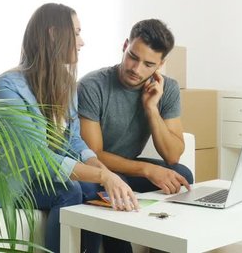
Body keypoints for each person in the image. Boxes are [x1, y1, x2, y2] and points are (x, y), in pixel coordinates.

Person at [0, 3, 139, 253]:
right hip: (11, 182)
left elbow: (73, 141)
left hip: (41, 177)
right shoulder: (7, 87)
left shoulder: (66, 85)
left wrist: (106, 173)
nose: (82, 41)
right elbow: (35, 156)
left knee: (95, 188)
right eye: (77, 32)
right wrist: (104, 175)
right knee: (70, 190)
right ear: (53, 34)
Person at [77, 18, 194, 252]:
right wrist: (147, 169)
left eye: (149, 64)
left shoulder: (167, 88)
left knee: (181, 176)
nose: (136, 69)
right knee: (102, 191)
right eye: (133, 56)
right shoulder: (92, 85)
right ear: (125, 45)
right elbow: (94, 154)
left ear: (161, 64)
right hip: (95, 170)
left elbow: (173, 155)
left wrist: (151, 108)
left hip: (126, 169)